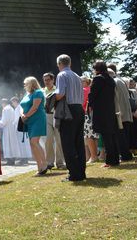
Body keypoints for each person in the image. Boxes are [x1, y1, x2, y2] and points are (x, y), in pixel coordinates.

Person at [54, 54, 86, 182]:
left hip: (68, 110)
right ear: (70, 63)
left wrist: (51, 97)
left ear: (59, 64)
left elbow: (60, 94)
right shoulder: (78, 77)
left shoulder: (61, 75)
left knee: (68, 143)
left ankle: (74, 174)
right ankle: (81, 172)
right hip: (79, 109)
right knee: (78, 143)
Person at [88, 61, 120, 167]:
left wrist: (90, 104)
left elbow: (92, 94)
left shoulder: (98, 79)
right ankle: (115, 159)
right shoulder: (110, 79)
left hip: (101, 111)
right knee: (111, 136)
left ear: (97, 69)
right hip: (110, 110)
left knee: (106, 137)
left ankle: (110, 161)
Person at [20, 77, 48, 175]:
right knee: (32, 144)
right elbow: (22, 106)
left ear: (31, 84)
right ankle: (39, 167)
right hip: (29, 120)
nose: (24, 85)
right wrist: (22, 115)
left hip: (38, 119)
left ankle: (44, 164)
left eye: (25, 83)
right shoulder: (27, 94)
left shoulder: (38, 92)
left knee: (34, 141)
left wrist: (26, 115)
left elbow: (35, 107)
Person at [107, 67, 133, 162]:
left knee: (120, 136)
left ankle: (125, 155)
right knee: (124, 135)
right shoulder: (120, 80)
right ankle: (126, 154)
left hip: (119, 113)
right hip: (126, 112)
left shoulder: (113, 82)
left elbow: (115, 98)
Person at [42, 73, 65, 170]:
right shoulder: (42, 91)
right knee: (48, 140)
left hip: (57, 116)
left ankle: (60, 163)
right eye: (45, 80)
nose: (46, 81)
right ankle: (49, 162)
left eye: (48, 79)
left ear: (53, 80)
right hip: (46, 117)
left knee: (59, 140)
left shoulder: (58, 90)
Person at [82, 76, 99, 164]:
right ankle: (94, 156)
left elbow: (82, 103)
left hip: (86, 115)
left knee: (89, 136)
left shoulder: (84, 90)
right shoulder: (90, 89)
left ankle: (93, 157)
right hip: (93, 115)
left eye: (82, 81)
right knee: (94, 136)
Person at [0, 98, 20, 165]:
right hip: (12, 128)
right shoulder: (11, 108)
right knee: (12, 144)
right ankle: (12, 159)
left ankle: (9, 160)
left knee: (7, 143)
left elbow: (4, 121)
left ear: (3, 103)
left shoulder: (5, 109)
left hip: (7, 129)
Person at [11, 97, 32, 163]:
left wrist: (13, 123)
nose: (12, 104)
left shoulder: (18, 108)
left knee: (22, 144)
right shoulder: (19, 107)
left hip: (19, 127)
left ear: (15, 101)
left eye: (13, 102)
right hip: (21, 127)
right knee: (23, 144)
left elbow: (17, 119)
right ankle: (25, 158)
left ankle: (24, 159)